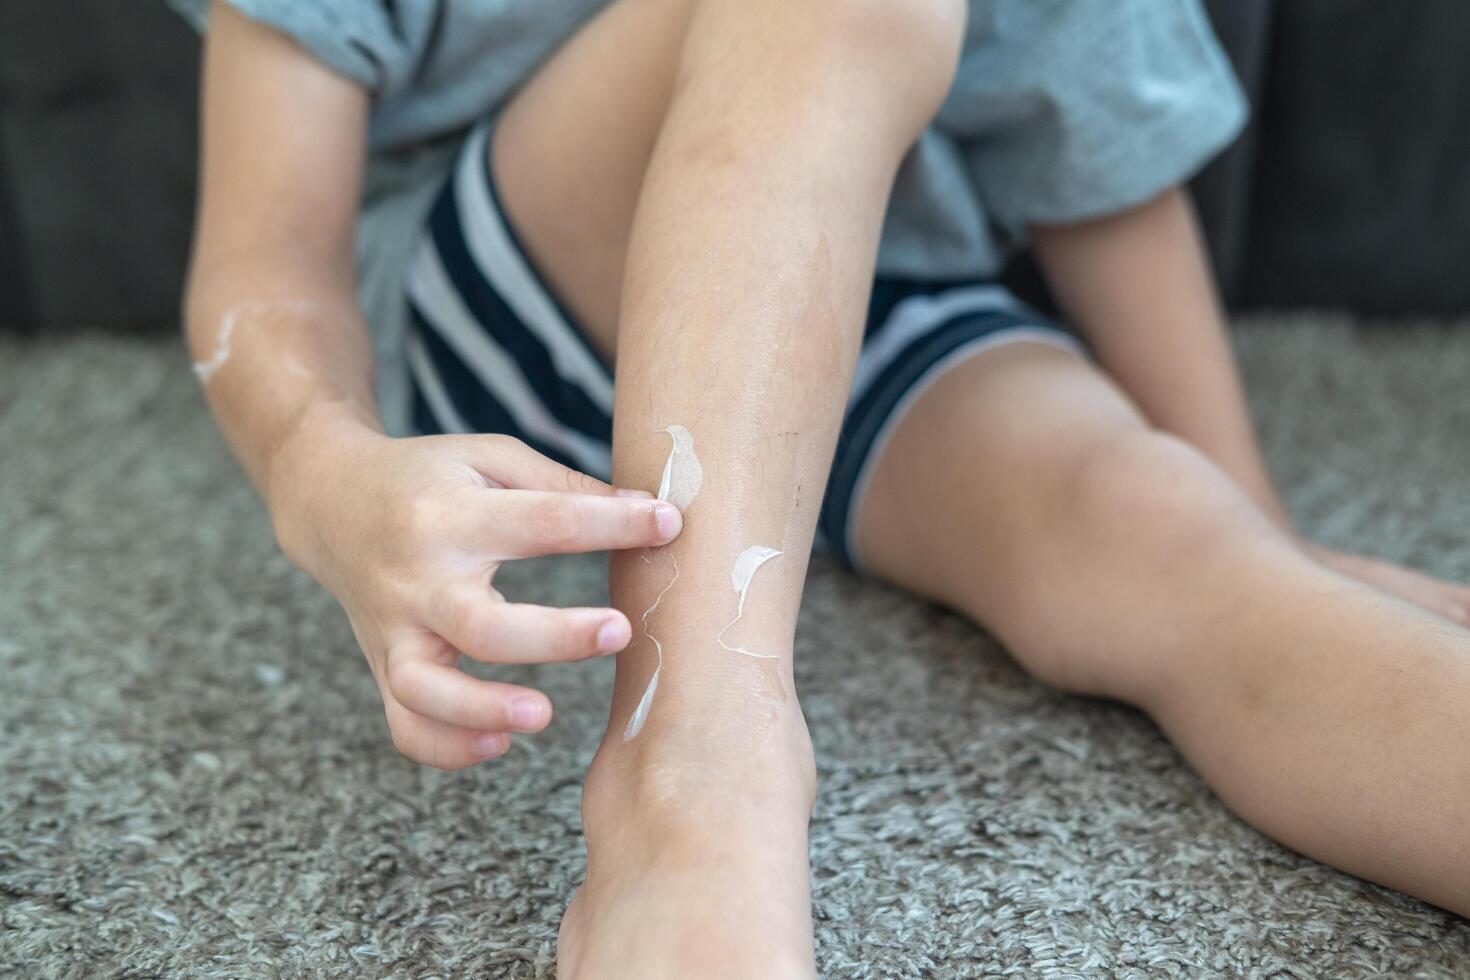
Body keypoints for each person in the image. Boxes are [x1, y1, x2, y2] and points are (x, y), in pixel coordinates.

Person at [175, 0, 1470, 974]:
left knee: (1169, 538)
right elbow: (265, 263)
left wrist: (1252, 518)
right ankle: (689, 764)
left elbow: (1097, 152)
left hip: (875, 298)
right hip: (510, 298)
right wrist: (323, 473)